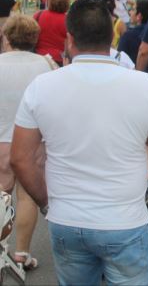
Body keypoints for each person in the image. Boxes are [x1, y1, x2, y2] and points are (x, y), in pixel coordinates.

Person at [10, 0, 148, 285]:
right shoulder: (144, 86)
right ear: (112, 36)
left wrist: (47, 204)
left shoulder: (43, 86)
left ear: (70, 39)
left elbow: (20, 158)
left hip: (67, 220)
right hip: (124, 220)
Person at [0, 15, 56, 270]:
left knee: (1, 195)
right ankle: (21, 253)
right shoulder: (46, 65)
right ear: (34, 38)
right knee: (27, 197)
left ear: (6, 37)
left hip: (1, 138)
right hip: (33, 141)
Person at [33, 0, 69, 66]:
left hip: (38, 56)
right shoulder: (68, 20)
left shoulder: (38, 15)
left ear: (49, 1)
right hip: (58, 59)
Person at [118, 0, 148, 66]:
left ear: (139, 16)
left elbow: (120, 60)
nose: (130, 12)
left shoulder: (128, 36)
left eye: (133, 9)